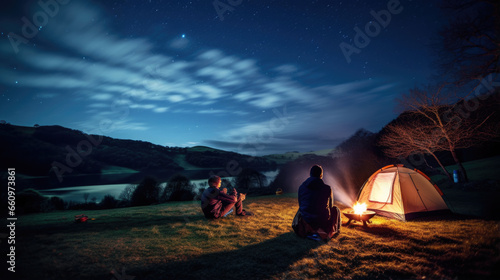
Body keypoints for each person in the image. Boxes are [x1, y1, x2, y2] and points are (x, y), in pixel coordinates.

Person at [293, 165, 340, 241]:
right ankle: (328, 231)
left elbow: (300, 204)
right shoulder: (327, 188)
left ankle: (309, 231)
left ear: (310, 174)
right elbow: (331, 206)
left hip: (306, 219)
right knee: (335, 209)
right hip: (322, 220)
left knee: (300, 210)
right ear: (321, 175)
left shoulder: (301, 187)